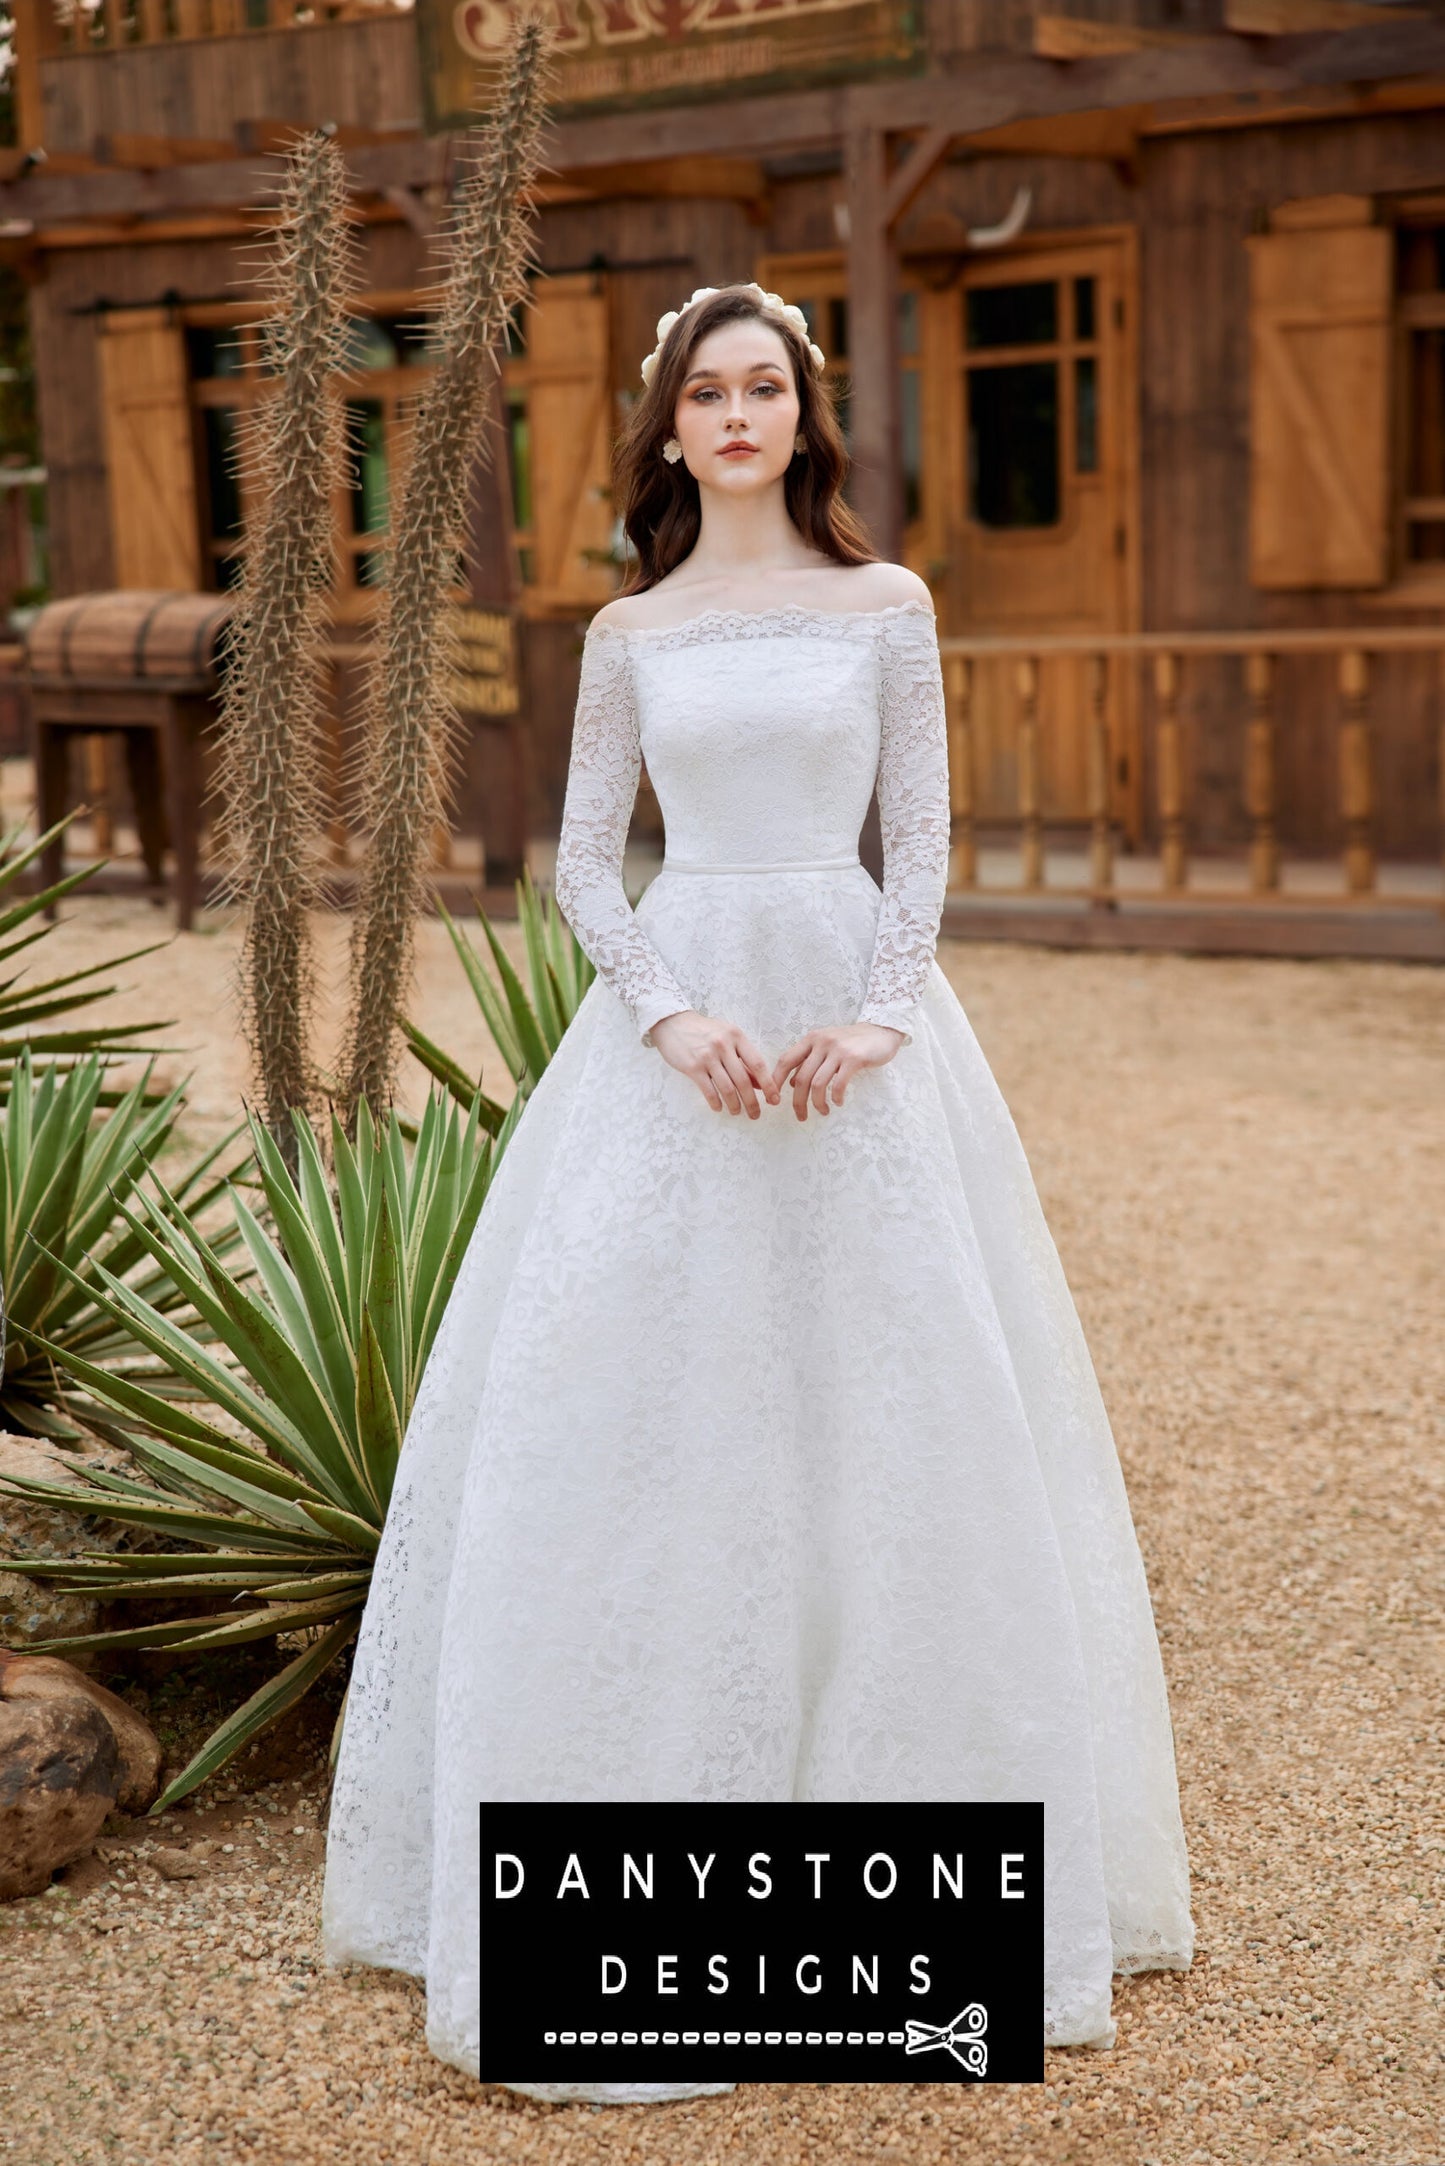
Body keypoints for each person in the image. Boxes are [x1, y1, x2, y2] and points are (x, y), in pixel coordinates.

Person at [320, 280, 1196, 2104]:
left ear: (805, 416)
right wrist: (669, 1017)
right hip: (690, 1026)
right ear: (668, 430)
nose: (736, 416)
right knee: (653, 1403)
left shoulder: (889, 606)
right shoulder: (633, 631)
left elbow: (924, 839)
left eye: (763, 388)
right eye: (706, 393)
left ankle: (895, 1860)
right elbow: (575, 866)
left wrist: (880, 1019)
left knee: (898, 1402)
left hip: (861, 1034)